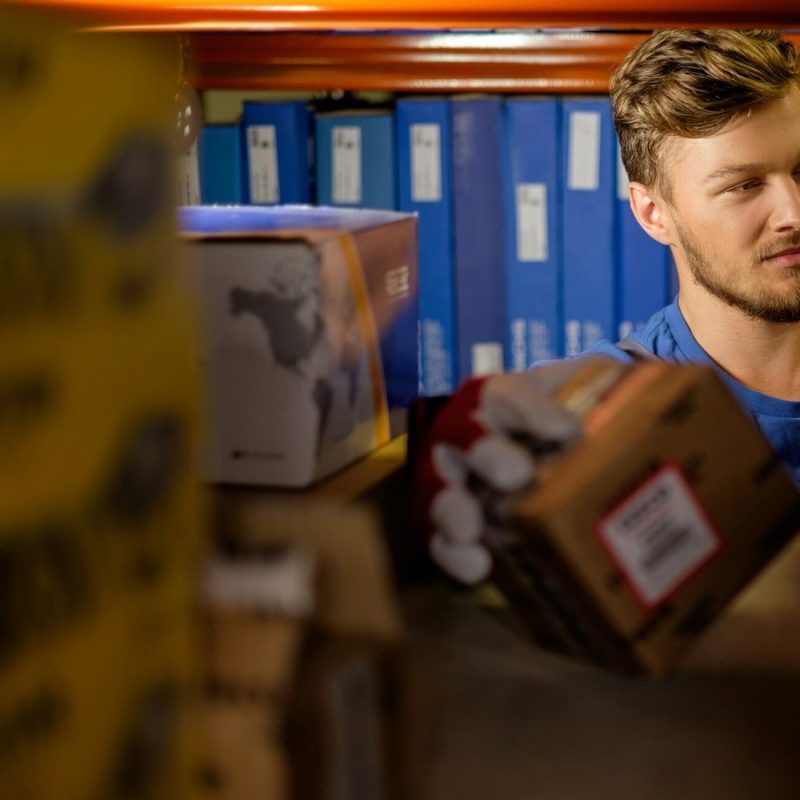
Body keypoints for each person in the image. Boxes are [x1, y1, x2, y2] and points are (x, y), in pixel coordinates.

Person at [413, 29, 800, 585]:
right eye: (743, 186)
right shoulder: (590, 416)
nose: (793, 211)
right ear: (652, 214)